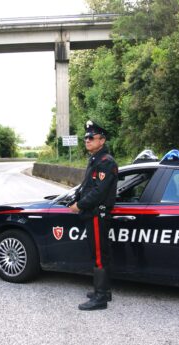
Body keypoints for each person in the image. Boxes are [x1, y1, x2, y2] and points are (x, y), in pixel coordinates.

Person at [70, 120, 118, 310]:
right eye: (85, 138)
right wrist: (76, 197)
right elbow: (87, 187)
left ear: (102, 140)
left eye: (91, 137)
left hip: (98, 214)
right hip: (92, 214)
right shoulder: (95, 160)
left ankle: (100, 299)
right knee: (99, 253)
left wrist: (79, 205)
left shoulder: (107, 162)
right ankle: (104, 291)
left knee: (99, 255)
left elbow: (99, 192)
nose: (87, 140)